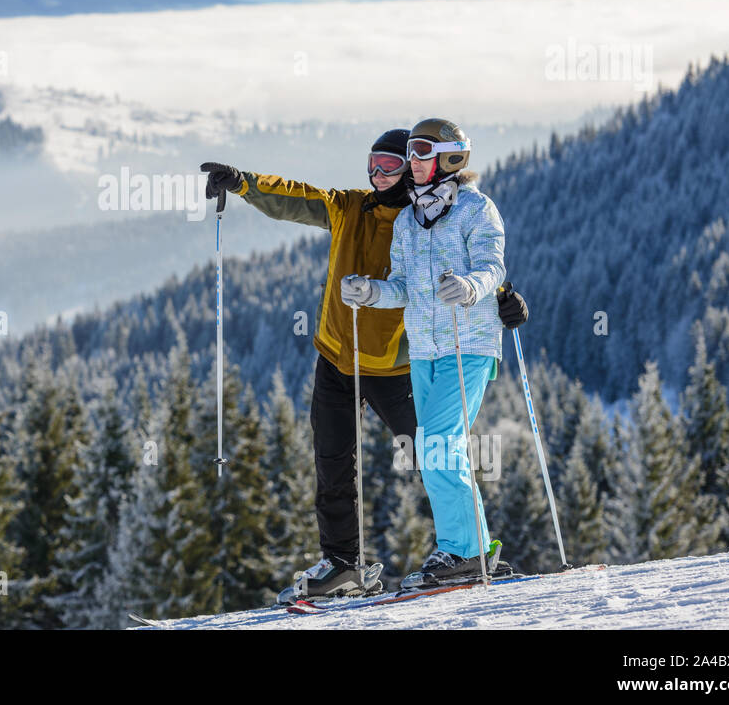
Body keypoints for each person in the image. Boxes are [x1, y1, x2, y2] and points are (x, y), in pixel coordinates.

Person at [201, 129, 527, 601]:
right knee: (332, 462)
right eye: (372, 164)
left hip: (395, 365)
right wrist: (245, 183)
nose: (378, 175)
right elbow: (299, 198)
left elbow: (472, 263)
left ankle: (472, 549)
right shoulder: (354, 208)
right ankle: (343, 563)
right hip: (336, 357)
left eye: (389, 166)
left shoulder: (424, 216)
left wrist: (501, 296)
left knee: (436, 450)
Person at [341, 118, 517, 587]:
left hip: (470, 344)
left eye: (422, 152)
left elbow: (492, 268)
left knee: (439, 445)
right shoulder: (407, 220)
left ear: (450, 158)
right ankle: (469, 548)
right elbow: (403, 286)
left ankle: (465, 551)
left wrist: (470, 286)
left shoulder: (477, 209)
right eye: (413, 153)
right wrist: (371, 293)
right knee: (436, 448)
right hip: (424, 349)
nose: (413, 162)